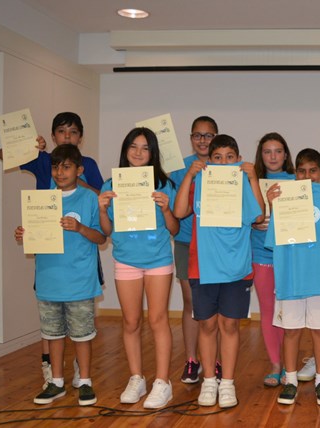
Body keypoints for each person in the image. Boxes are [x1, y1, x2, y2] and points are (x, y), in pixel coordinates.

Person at [0, 112, 103, 390]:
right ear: (53, 135)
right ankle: (52, 371)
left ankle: (83, 370)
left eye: (72, 132)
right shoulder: (43, 159)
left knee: (80, 316)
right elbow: (2, 153)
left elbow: (101, 197)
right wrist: (30, 146)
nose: (66, 136)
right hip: (47, 250)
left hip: (79, 255)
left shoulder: (87, 165)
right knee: (51, 316)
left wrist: (77, 183)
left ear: (81, 136)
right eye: (61, 132)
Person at [173, 134, 264, 409]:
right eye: (217, 157)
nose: (223, 162)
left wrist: (253, 179)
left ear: (237, 159)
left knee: (229, 325)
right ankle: (209, 380)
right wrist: (189, 176)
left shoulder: (244, 183)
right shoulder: (199, 181)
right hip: (203, 266)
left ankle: (228, 383)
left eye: (229, 157)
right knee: (207, 325)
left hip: (236, 268)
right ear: (209, 161)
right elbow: (178, 212)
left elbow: (258, 215)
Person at [98, 127, 178, 409]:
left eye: (145, 148)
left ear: (153, 153)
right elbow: (106, 232)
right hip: (126, 259)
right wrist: (102, 209)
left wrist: (167, 208)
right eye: (133, 146)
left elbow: (174, 228)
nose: (138, 152)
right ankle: (136, 377)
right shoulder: (111, 184)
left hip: (158, 260)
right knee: (131, 322)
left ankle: (162, 382)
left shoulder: (164, 184)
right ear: (125, 150)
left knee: (158, 320)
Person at [266, 148, 320, 406]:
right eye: (302, 171)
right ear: (295, 174)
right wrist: (272, 204)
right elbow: (273, 238)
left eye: (313, 171)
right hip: (292, 276)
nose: (308, 176)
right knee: (291, 331)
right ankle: (290, 381)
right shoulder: (282, 198)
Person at [170, 116, 218, 384]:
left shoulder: (226, 165)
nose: (202, 140)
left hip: (216, 245)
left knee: (216, 307)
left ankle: (217, 360)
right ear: (190, 139)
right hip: (186, 243)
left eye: (208, 135)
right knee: (191, 304)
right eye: (197, 135)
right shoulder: (179, 168)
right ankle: (192, 360)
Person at [251, 132, 295, 387]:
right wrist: (253, 223)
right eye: (268, 151)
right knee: (268, 311)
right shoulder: (252, 181)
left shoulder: (296, 181)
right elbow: (246, 217)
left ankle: (289, 365)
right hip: (261, 255)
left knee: (289, 312)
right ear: (261, 155)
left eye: (278, 151)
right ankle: (275, 364)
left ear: (285, 154)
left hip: (289, 256)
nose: (273, 156)